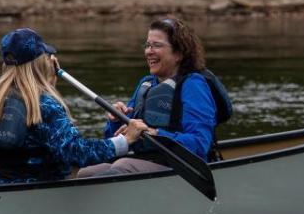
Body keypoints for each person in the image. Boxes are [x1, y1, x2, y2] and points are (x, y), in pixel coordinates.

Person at [0, 28, 147, 184]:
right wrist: (125, 140)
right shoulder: (45, 104)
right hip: (42, 191)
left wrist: (49, 82)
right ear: (40, 62)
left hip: (3, 184)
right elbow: (77, 152)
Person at [79, 16, 232, 176]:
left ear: (179, 53)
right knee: (86, 172)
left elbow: (200, 144)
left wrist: (158, 135)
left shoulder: (194, 85)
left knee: (123, 166)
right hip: (146, 161)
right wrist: (116, 121)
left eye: (157, 45)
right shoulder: (146, 84)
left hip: (183, 167)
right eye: (147, 45)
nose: (148, 52)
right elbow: (117, 141)